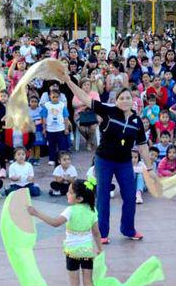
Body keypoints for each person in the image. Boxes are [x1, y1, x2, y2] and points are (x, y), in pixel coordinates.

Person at [61, 73, 149, 243]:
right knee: (102, 196)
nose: (124, 100)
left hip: (124, 163)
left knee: (130, 196)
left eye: (127, 97)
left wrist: (150, 168)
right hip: (104, 160)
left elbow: (143, 145)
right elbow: (85, 98)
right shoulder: (108, 111)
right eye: (121, 98)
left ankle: (128, 229)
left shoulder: (137, 121)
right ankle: (102, 233)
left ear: (133, 100)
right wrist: (69, 82)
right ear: (116, 101)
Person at [27, 179, 103, 286]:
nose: (67, 194)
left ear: (79, 198)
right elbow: (96, 233)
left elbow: (55, 223)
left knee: (74, 283)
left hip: (72, 252)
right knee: (88, 282)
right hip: (87, 252)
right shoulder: (92, 210)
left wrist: (36, 213)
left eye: (70, 192)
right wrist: (99, 248)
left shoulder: (70, 210)